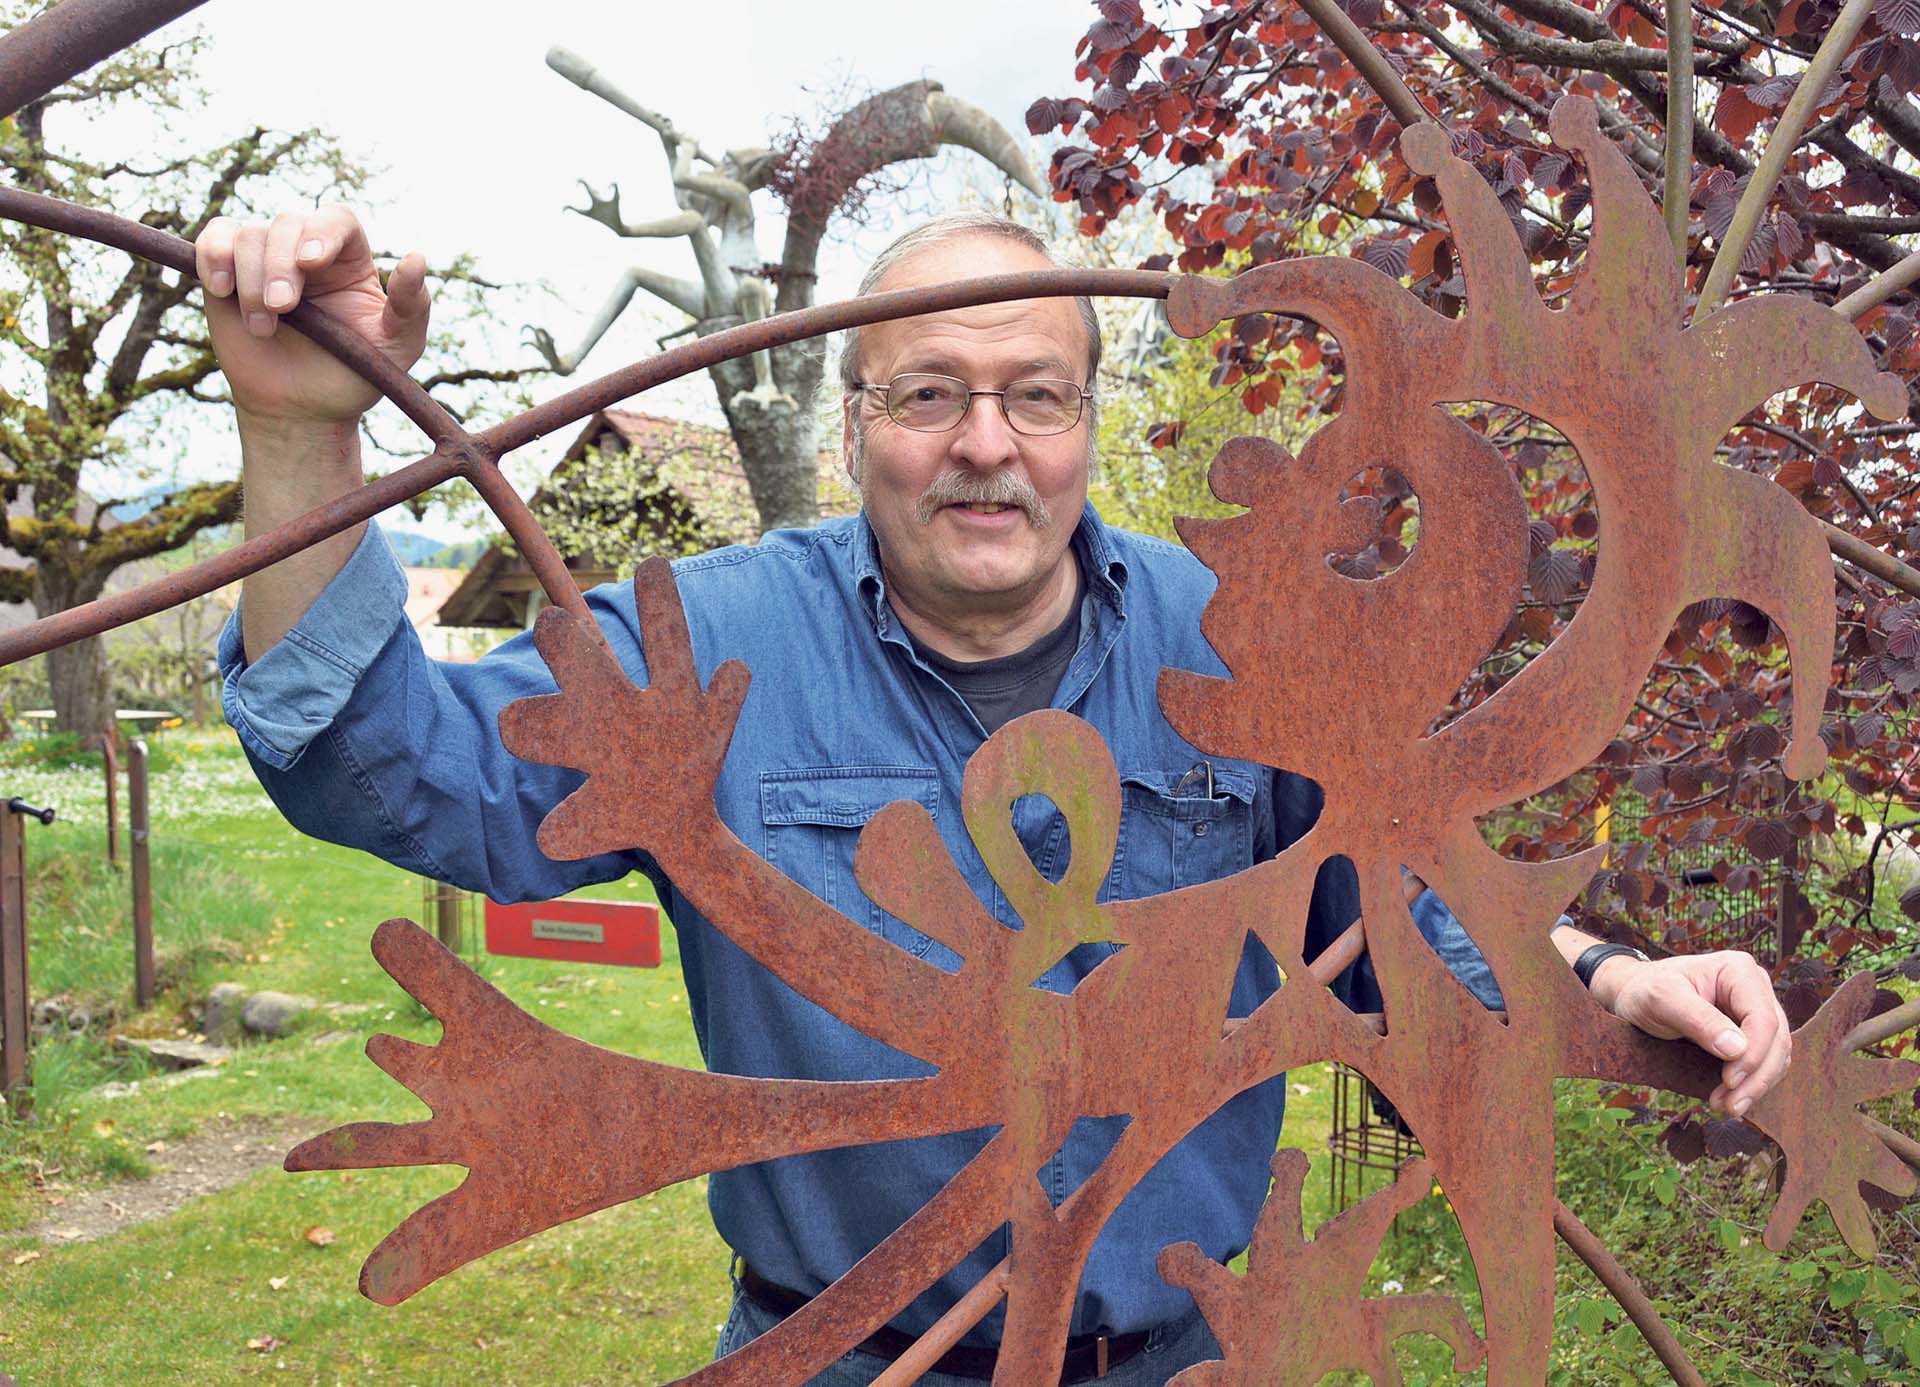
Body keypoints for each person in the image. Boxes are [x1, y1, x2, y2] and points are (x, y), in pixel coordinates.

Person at [196, 206, 1793, 1386]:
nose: (987, 445)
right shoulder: (709, 646)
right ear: (853, 426)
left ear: (1086, 422)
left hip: (1186, 1359)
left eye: (1037, 394)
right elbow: (388, 770)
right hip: (845, 1357)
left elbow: (1385, 908)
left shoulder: (1240, 639)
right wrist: (296, 437)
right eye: (927, 394)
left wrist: (1608, 976)